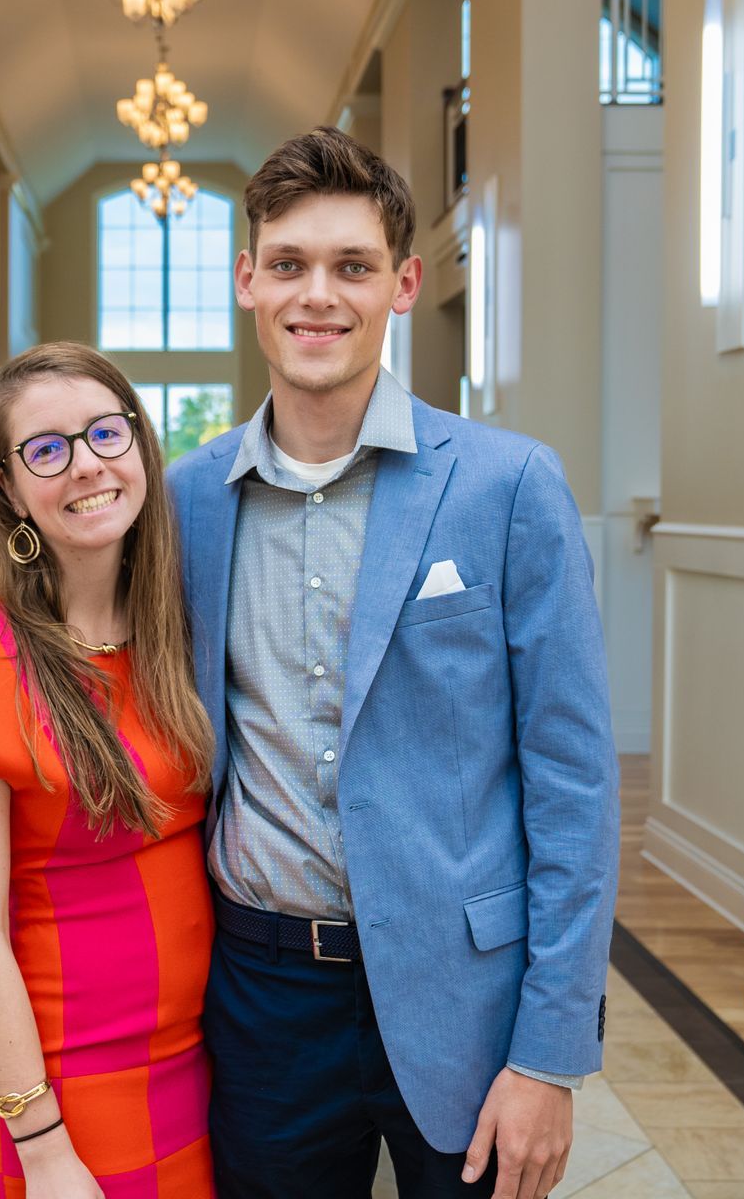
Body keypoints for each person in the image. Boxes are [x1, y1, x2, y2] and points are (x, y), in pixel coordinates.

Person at [167, 128, 619, 1199]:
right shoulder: (186, 500)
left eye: (352, 267)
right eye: (288, 264)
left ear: (404, 283)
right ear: (247, 280)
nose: (317, 296)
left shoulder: (507, 486)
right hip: (264, 993)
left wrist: (550, 1052)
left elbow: (573, 780)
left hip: (465, 989)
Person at [0, 343, 217, 1198]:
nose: (86, 465)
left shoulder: (180, 631)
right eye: (46, 449)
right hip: (69, 1083)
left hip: (210, 1060)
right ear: (8, 486)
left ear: (140, 449)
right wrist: (42, 1145)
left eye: (105, 434)